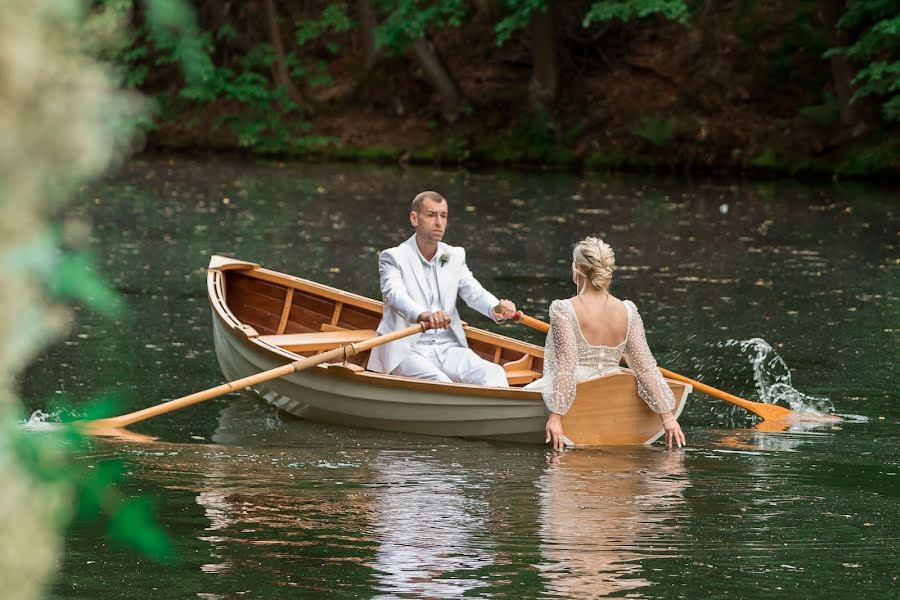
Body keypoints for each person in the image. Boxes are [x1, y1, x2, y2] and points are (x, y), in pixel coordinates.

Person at [526, 237, 687, 450]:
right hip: (613, 382)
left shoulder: (563, 309)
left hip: (576, 388)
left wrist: (556, 416)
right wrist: (668, 418)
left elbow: (567, 364)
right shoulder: (628, 310)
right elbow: (645, 367)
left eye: (573, 265)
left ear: (580, 269)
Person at [368, 191, 517, 386]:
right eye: (431, 215)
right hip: (408, 350)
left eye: (443, 215)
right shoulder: (393, 257)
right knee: (442, 383)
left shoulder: (453, 255)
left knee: (494, 373)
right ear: (414, 218)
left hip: (448, 348)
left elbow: (473, 292)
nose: (439, 222)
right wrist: (424, 315)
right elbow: (395, 296)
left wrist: (496, 307)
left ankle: (498, 415)